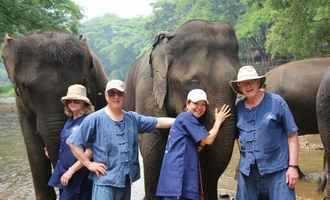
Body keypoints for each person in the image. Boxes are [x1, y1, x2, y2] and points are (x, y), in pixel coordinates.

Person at [66, 79, 175, 200]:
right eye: (112, 93)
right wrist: (88, 164)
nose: (116, 97)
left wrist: (182, 120)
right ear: (106, 96)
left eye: (119, 93)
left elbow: (158, 122)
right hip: (104, 183)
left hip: (125, 182)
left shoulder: (132, 118)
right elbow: (72, 142)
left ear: (124, 96)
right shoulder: (94, 119)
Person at [230, 65, 299, 200]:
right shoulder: (238, 108)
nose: (248, 85)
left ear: (258, 82)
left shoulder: (277, 102)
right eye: (244, 83)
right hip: (248, 175)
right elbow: (237, 137)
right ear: (239, 87)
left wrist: (293, 167)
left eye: (251, 81)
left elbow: (292, 135)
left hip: (277, 172)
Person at [156, 89, 231, 200]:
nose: (199, 108)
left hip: (175, 181)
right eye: (195, 103)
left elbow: (196, 146)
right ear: (187, 103)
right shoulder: (186, 117)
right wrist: (218, 121)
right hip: (178, 181)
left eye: (203, 104)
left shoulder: (187, 122)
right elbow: (208, 139)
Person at [48, 84, 94, 200]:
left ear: (84, 103)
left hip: (78, 176)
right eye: (70, 101)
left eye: (76, 101)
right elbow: (66, 145)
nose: (72, 103)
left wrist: (71, 171)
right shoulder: (69, 121)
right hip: (64, 174)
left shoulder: (88, 122)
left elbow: (89, 152)